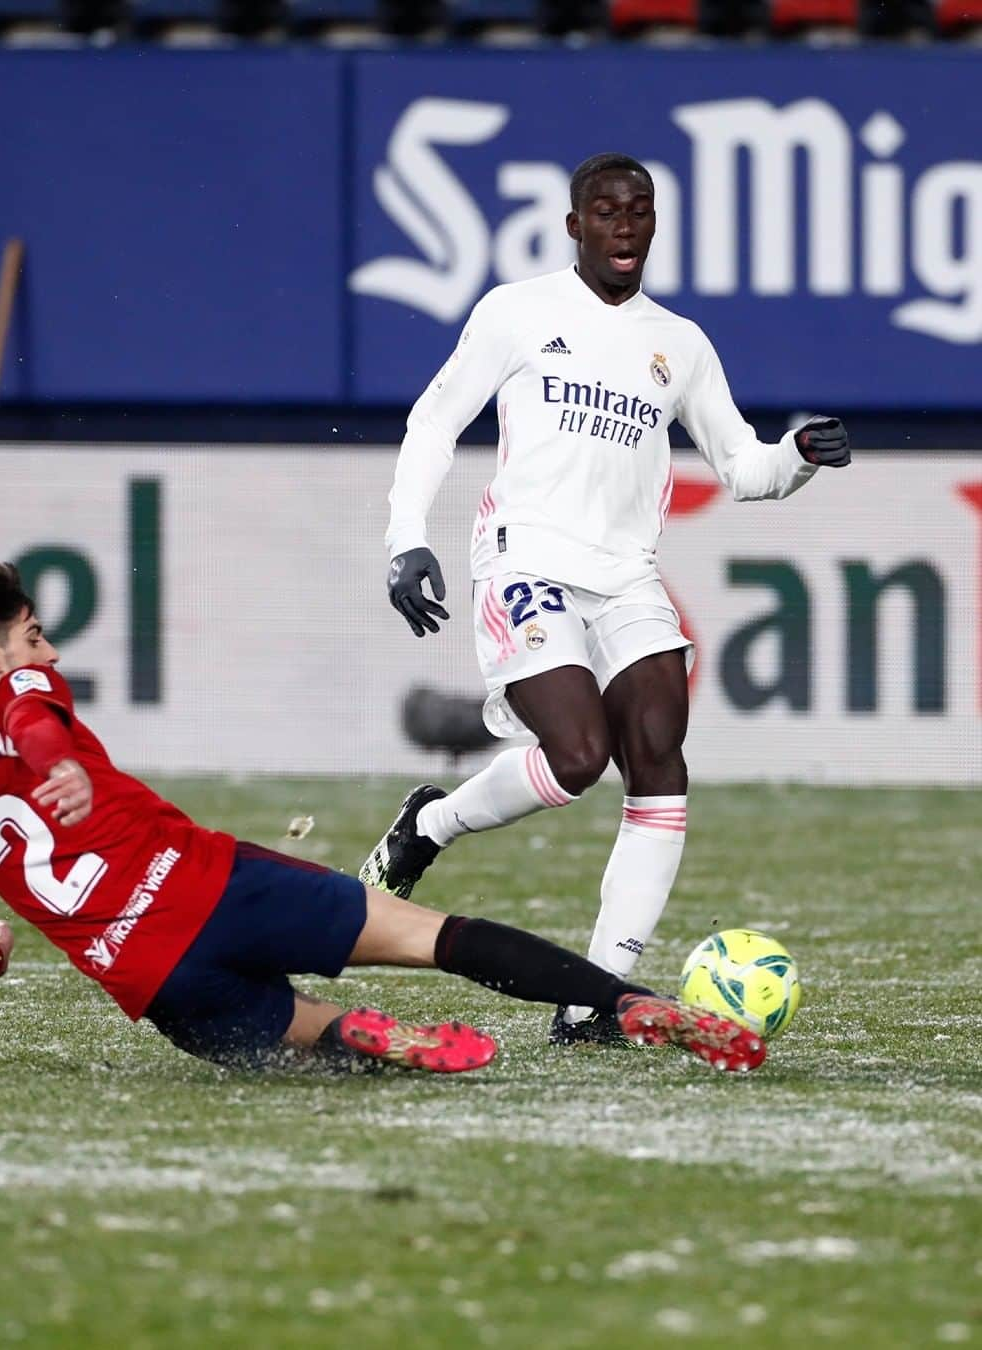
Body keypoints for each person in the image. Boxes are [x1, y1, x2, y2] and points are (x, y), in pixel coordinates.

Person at [361, 151, 850, 1045]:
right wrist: (407, 539)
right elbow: (432, 422)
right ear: (574, 225)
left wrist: (797, 456)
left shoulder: (682, 344)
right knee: (579, 755)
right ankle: (428, 824)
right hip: (526, 560)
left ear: (653, 225)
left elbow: (743, 468)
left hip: (626, 571)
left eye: (640, 211)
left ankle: (592, 998)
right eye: (606, 210)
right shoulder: (517, 312)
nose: (625, 225)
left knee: (660, 760)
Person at [0, 563, 767, 1076]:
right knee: (432, 935)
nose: (50, 654)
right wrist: (55, 761)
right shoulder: (25, 696)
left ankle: (352, 1034)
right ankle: (622, 1004)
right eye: (33, 638)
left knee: (297, 1041)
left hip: (154, 980)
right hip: (214, 887)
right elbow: (29, 720)